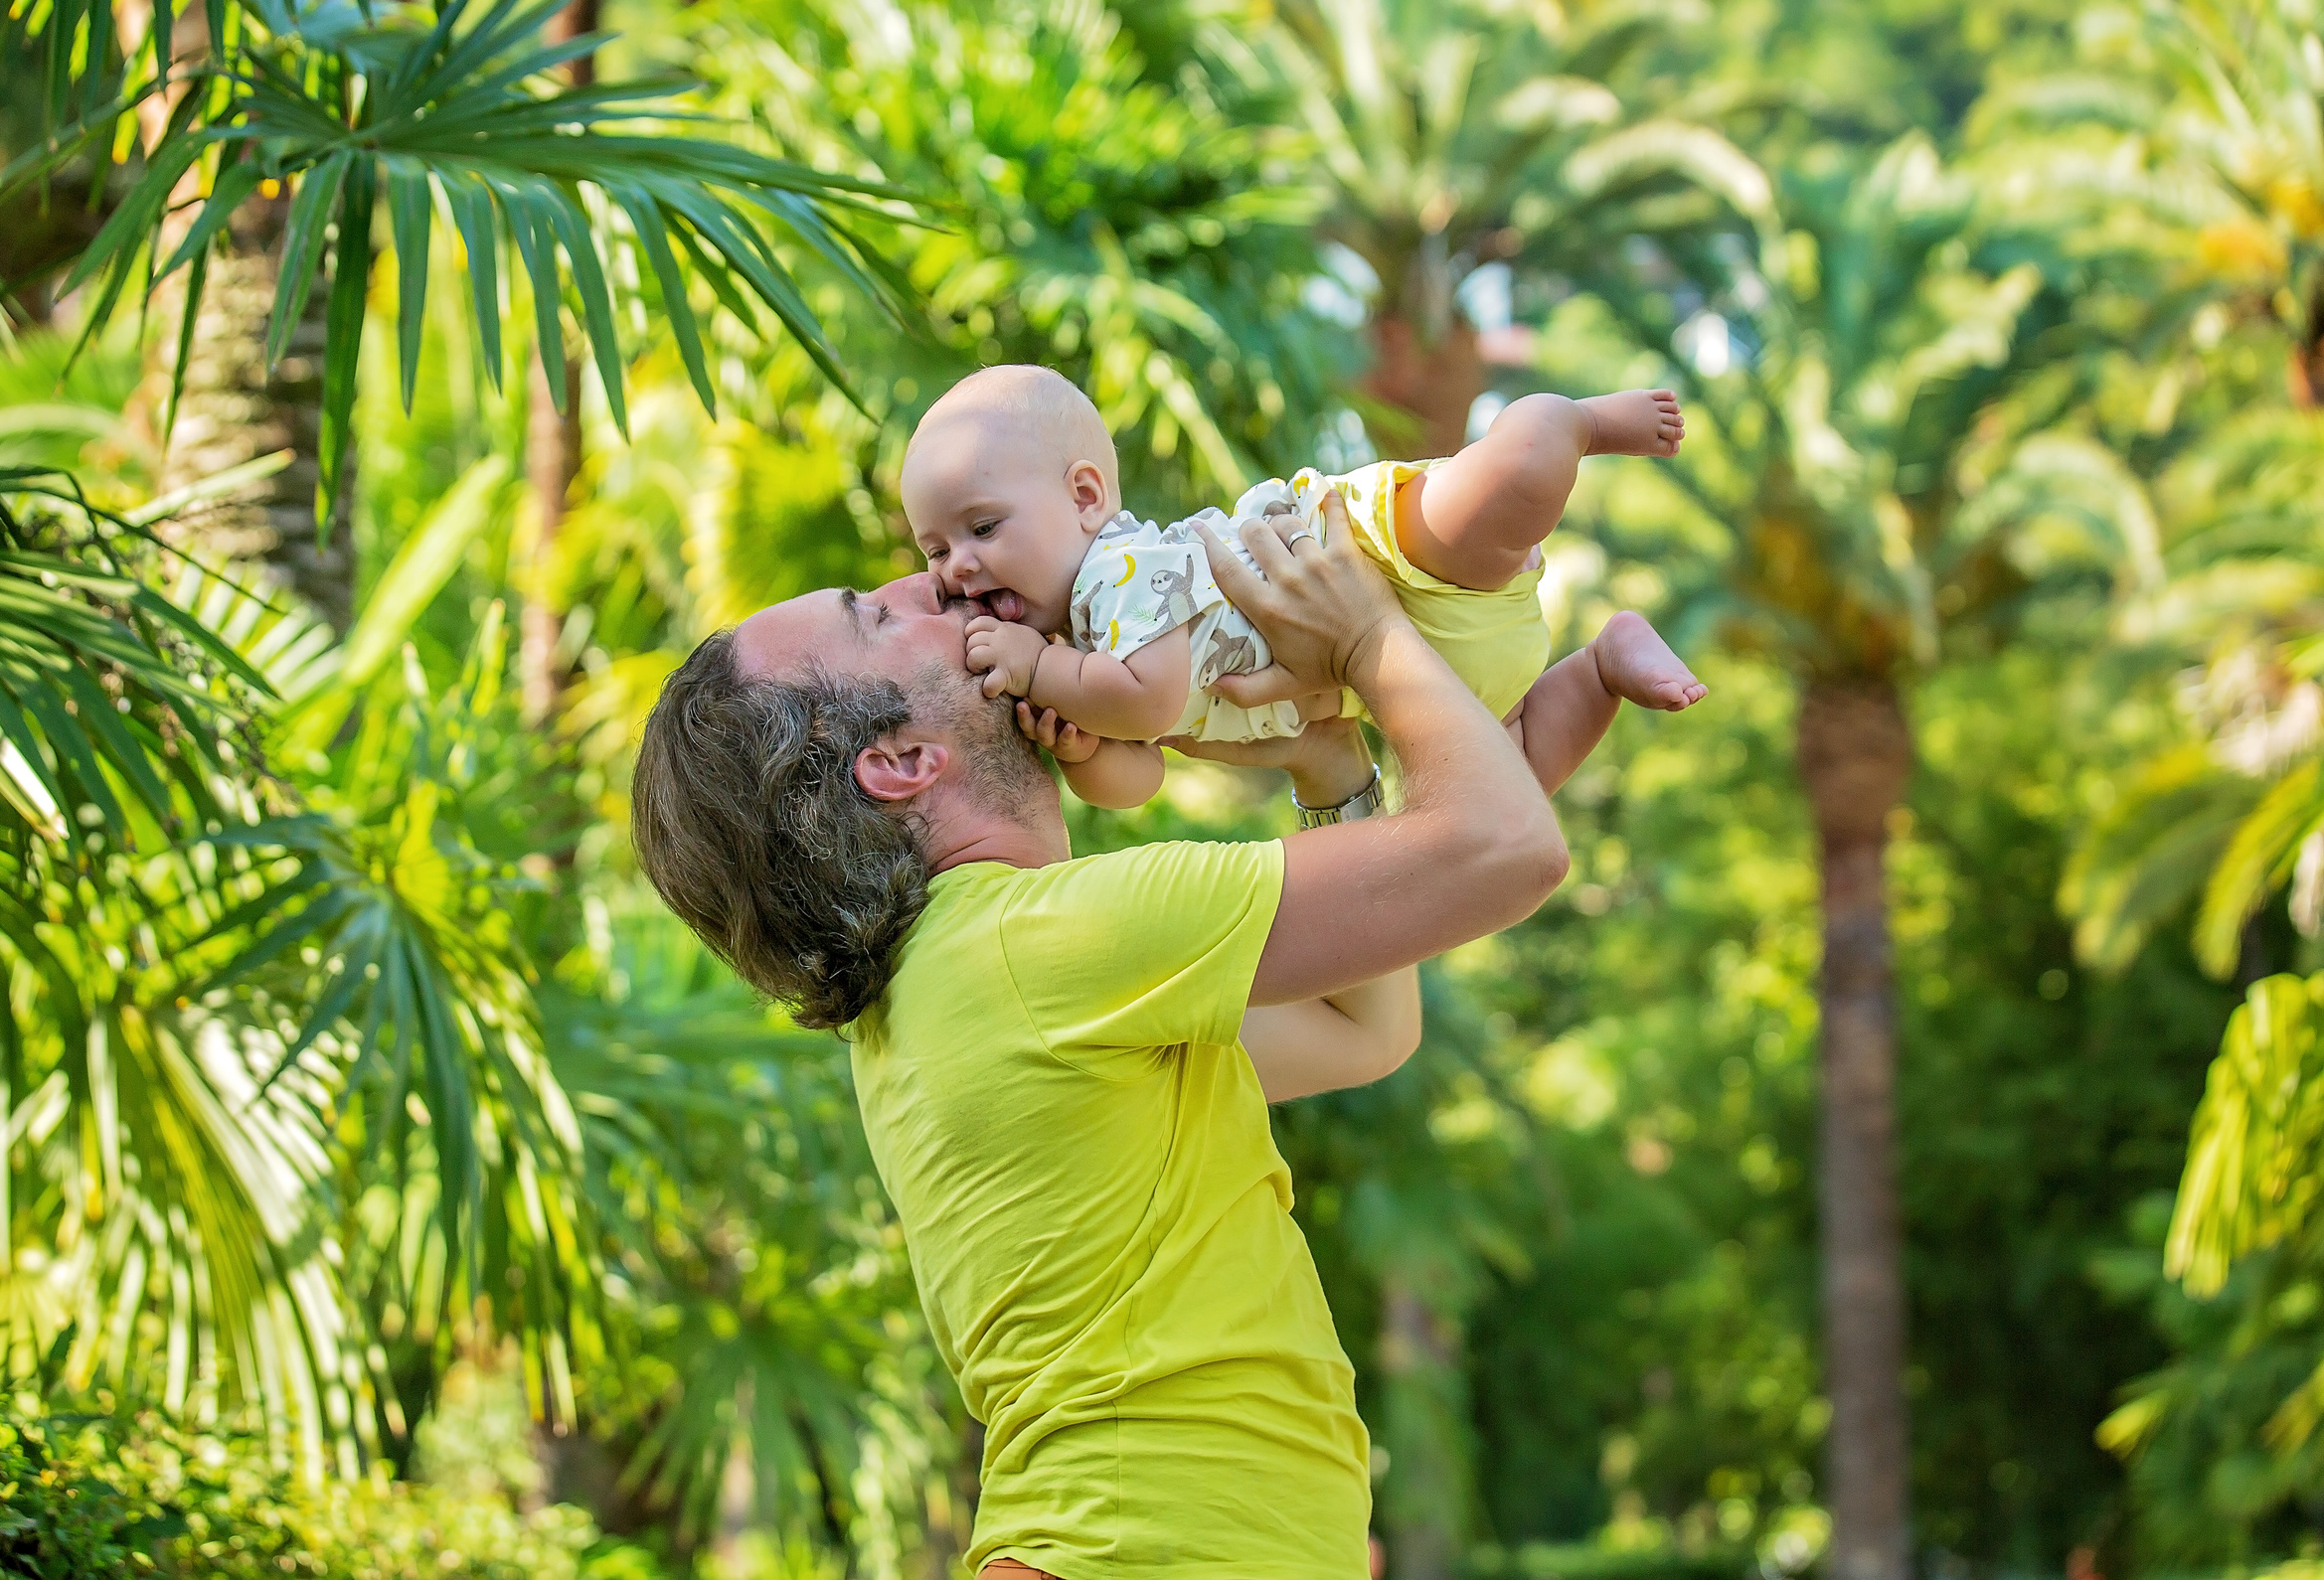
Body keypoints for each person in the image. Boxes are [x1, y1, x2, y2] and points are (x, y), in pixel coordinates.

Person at [631, 504, 1569, 1580]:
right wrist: (1368, 643)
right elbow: (1506, 848)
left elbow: (1360, 1031)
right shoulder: (1038, 946)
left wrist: (1327, 767)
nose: (930, 585)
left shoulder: (961, 980)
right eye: (877, 617)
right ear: (900, 761)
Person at [898, 364, 1708, 809]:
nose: (955, 568)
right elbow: (1142, 777)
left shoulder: (1116, 575)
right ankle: (1604, 666)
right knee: (1502, 791)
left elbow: (1147, 701)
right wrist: (1081, 752)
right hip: (1396, 676)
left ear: (1084, 499)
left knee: (1516, 476)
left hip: (1373, 561)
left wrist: (1045, 675)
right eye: (933, 550)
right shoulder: (1078, 661)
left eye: (982, 528)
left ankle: (1576, 422)